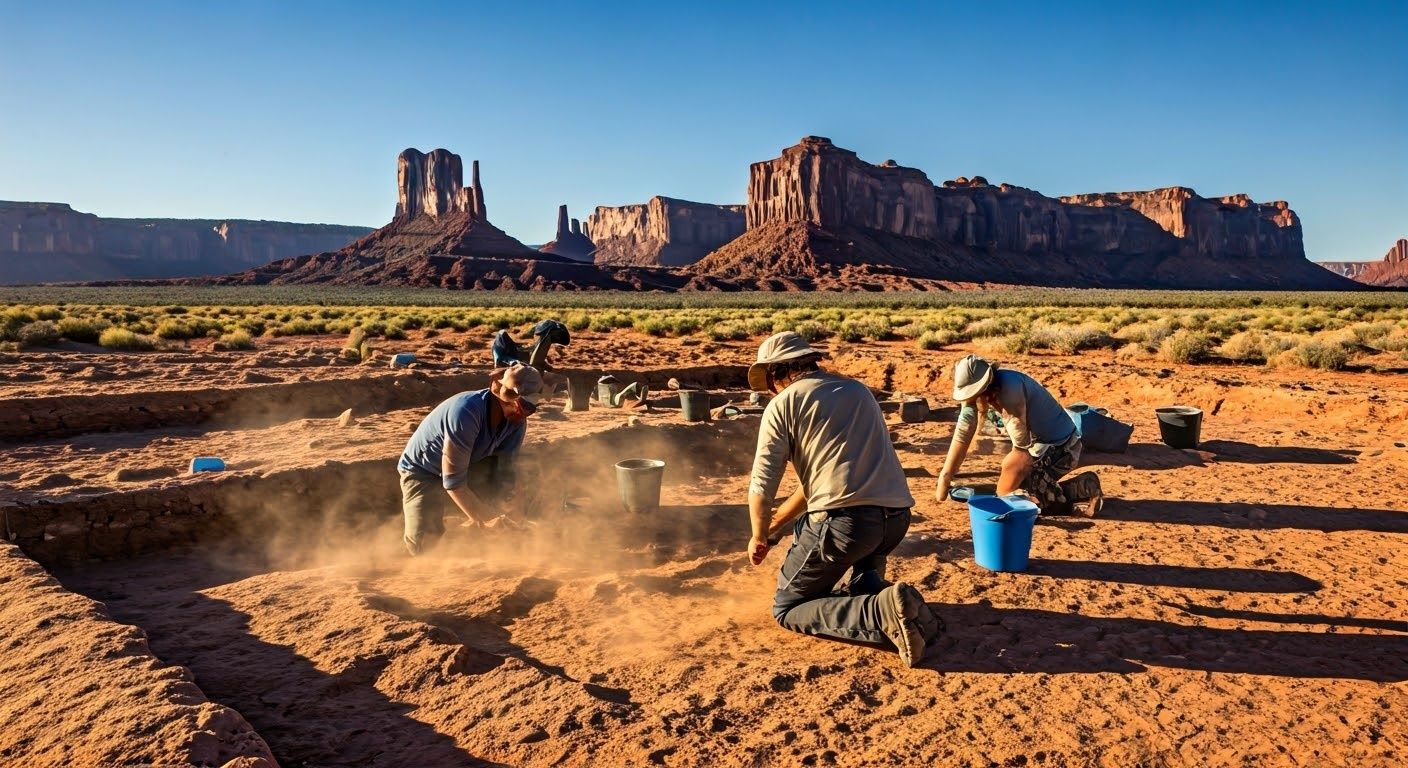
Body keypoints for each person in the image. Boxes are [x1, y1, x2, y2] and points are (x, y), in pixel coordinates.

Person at [746, 332, 941, 668]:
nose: (771, 391)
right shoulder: (857, 390)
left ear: (777, 374)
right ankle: (878, 592)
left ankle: (880, 613)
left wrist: (758, 535)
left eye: (769, 383)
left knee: (787, 608)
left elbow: (762, 483)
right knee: (859, 564)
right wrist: (776, 527)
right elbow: (814, 488)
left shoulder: (784, 404)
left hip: (847, 525)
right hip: (895, 520)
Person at [397, 363, 545, 555]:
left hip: (472, 463)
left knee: (508, 497)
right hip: (423, 470)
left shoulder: (517, 422)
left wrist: (516, 520)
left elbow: (506, 471)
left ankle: (477, 534)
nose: (522, 413)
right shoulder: (466, 412)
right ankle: (454, 533)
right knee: (424, 544)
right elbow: (453, 481)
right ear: (501, 392)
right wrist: (487, 520)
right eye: (519, 405)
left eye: (529, 409)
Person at [936, 354, 1103, 516]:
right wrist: (946, 475)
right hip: (1040, 445)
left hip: (1063, 448)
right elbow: (964, 429)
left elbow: (1020, 454)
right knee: (1014, 490)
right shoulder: (990, 389)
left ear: (984, 386)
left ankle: (1079, 493)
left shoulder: (1010, 392)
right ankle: (1078, 487)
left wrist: (1005, 494)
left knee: (1019, 503)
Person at [491, 319, 570, 371]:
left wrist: (549, 368)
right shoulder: (502, 340)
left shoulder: (529, 352)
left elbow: (536, 360)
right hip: (508, 362)